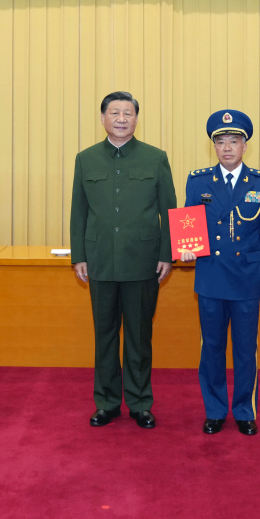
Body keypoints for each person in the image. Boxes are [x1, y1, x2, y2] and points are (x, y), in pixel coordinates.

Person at [70, 91, 176, 429]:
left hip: (143, 261)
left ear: (136, 119)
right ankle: (107, 403)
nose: (121, 118)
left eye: (127, 113)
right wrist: (79, 255)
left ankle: (140, 402)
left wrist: (167, 255)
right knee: (105, 336)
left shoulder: (155, 157)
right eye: (114, 112)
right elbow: (78, 211)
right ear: (103, 118)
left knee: (139, 336)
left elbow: (169, 209)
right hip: (100, 260)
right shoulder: (86, 159)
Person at [180, 110, 260, 436]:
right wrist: (186, 248)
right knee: (211, 348)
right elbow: (189, 222)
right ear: (214, 146)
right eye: (220, 141)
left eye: (233, 141)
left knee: (245, 349)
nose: (227, 148)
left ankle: (245, 410)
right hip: (211, 275)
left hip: (247, 277)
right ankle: (215, 410)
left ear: (244, 146)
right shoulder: (198, 181)